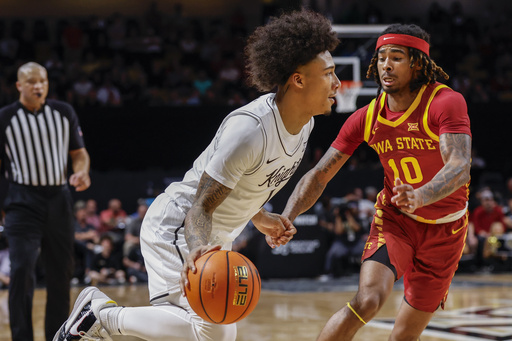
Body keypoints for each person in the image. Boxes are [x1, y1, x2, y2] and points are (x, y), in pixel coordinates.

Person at [54, 9, 340, 341]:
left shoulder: (305, 123)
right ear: (299, 79)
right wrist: (199, 247)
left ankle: (99, 315)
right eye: (329, 73)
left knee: (208, 333)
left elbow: (241, 184)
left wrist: (258, 217)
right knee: (215, 334)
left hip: (215, 238)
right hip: (178, 230)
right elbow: (200, 208)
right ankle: (100, 314)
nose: (336, 83)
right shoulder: (250, 130)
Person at [281, 23, 472, 340]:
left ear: (416, 63)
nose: (386, 64)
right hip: (396, 221)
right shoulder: (367, 117)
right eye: (381, 57)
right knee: (367, 301)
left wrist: (421, 194)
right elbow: (320, 173)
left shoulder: (445, 102)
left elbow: (460, 165)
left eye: (396, 57)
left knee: (403, 336)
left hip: (446, 231)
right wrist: (288, 216)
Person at [0, 62, 91, 341]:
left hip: (58, 198)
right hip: (21, 201)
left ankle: (57, 335)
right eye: (31, 82)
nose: (38, 86)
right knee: (22, 269)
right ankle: (21, 337)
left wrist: (82, 171)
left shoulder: (64, 112)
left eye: (42, 81)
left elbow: (78, 153)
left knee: (61, 272)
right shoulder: (4, 118)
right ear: (19, 86)